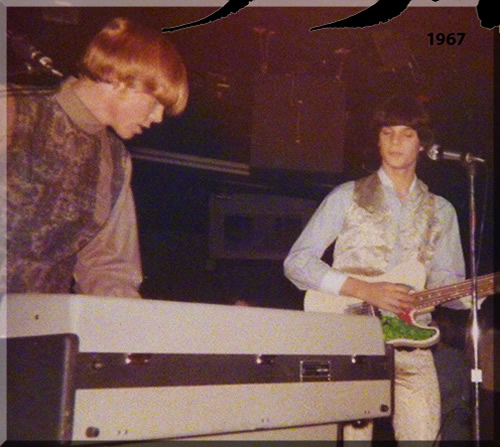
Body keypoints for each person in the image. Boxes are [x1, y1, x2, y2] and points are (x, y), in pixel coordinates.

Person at [284, 95, 470, 441]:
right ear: (377, 139)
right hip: (351, 339)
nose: (395, 141)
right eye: (387, 133)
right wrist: (364, 289)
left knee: (425, 436)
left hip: (413, 346)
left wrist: (474, 296)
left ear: (423, 144)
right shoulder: (346, 196)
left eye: (406, 133)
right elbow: (297, 263)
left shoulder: (441, 210)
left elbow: (448, 281)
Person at [6, 17, 188, 298]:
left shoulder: (115, 162)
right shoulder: (11, 111)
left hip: (35, 332)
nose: (158, 118)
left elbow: (106, 263)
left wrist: (121, 311)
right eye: (155, 103)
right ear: (119, 80)